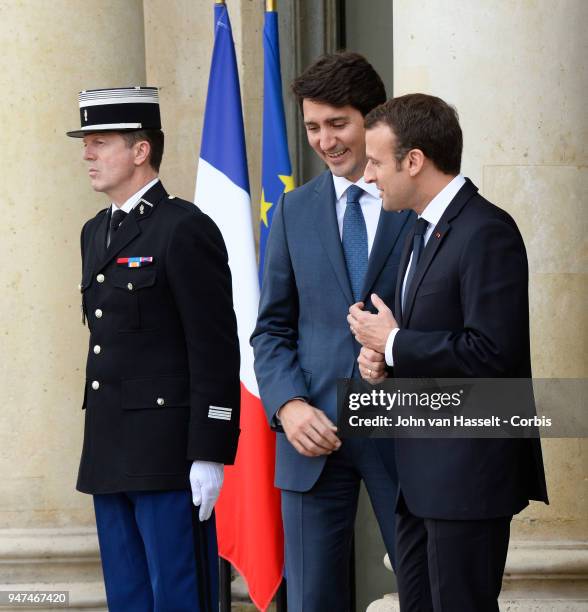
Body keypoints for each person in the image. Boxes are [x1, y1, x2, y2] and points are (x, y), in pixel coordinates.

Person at [348, 93, 549, 612]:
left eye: (375, 161)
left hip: (467, 478)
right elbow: (427, 342)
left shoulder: (486, 231)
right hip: (420, 478)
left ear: (413, 161)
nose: (367, 175)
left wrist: (392, 342)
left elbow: (491, 352)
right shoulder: (419, 231)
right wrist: (385, 360)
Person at [251, 53, 414, 611]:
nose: (325, 141)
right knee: (312, 601)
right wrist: (288, 406)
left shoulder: (417, 204)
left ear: (373, 118)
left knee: (427, 591)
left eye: (338, 123)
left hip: (406, 428)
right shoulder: (294, 211)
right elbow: (270, 329)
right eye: (313, 127)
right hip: (312, 436)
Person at [67, 86, 240, 612]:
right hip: (110, 448)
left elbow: (214, 347)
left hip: (167, 454)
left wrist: (209, 449)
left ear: (141, 150)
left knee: (179, 595)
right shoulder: (95, 232)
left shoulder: (183, 228)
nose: (87, 154)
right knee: (128, 598)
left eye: (100, 141)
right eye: (86, 142)